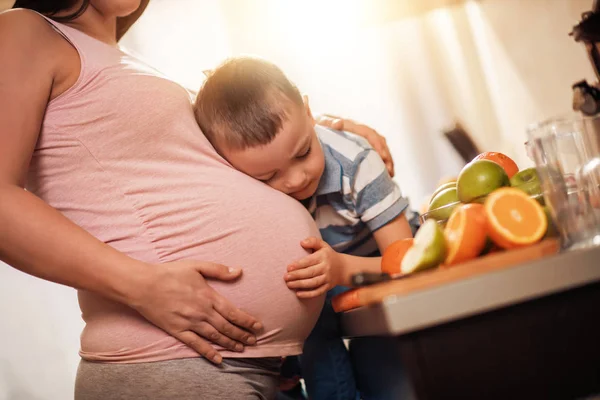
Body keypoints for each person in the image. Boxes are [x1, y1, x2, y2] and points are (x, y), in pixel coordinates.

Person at [0, 1, 397, 398]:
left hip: (247, 366)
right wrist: (142, 286)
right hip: (167, 365)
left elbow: (217, 149)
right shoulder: (24, 31)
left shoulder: (119, 57)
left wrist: (333, 135)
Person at [194, 57, 416, 400]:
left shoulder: (356, 164)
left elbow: (409, 263)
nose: (297, 179)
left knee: (388, 380)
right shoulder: (241, 190)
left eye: (303, 152)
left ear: (309, 113)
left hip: (379, 271)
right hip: (324, 288)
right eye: (269, 177)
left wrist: (343, 269)